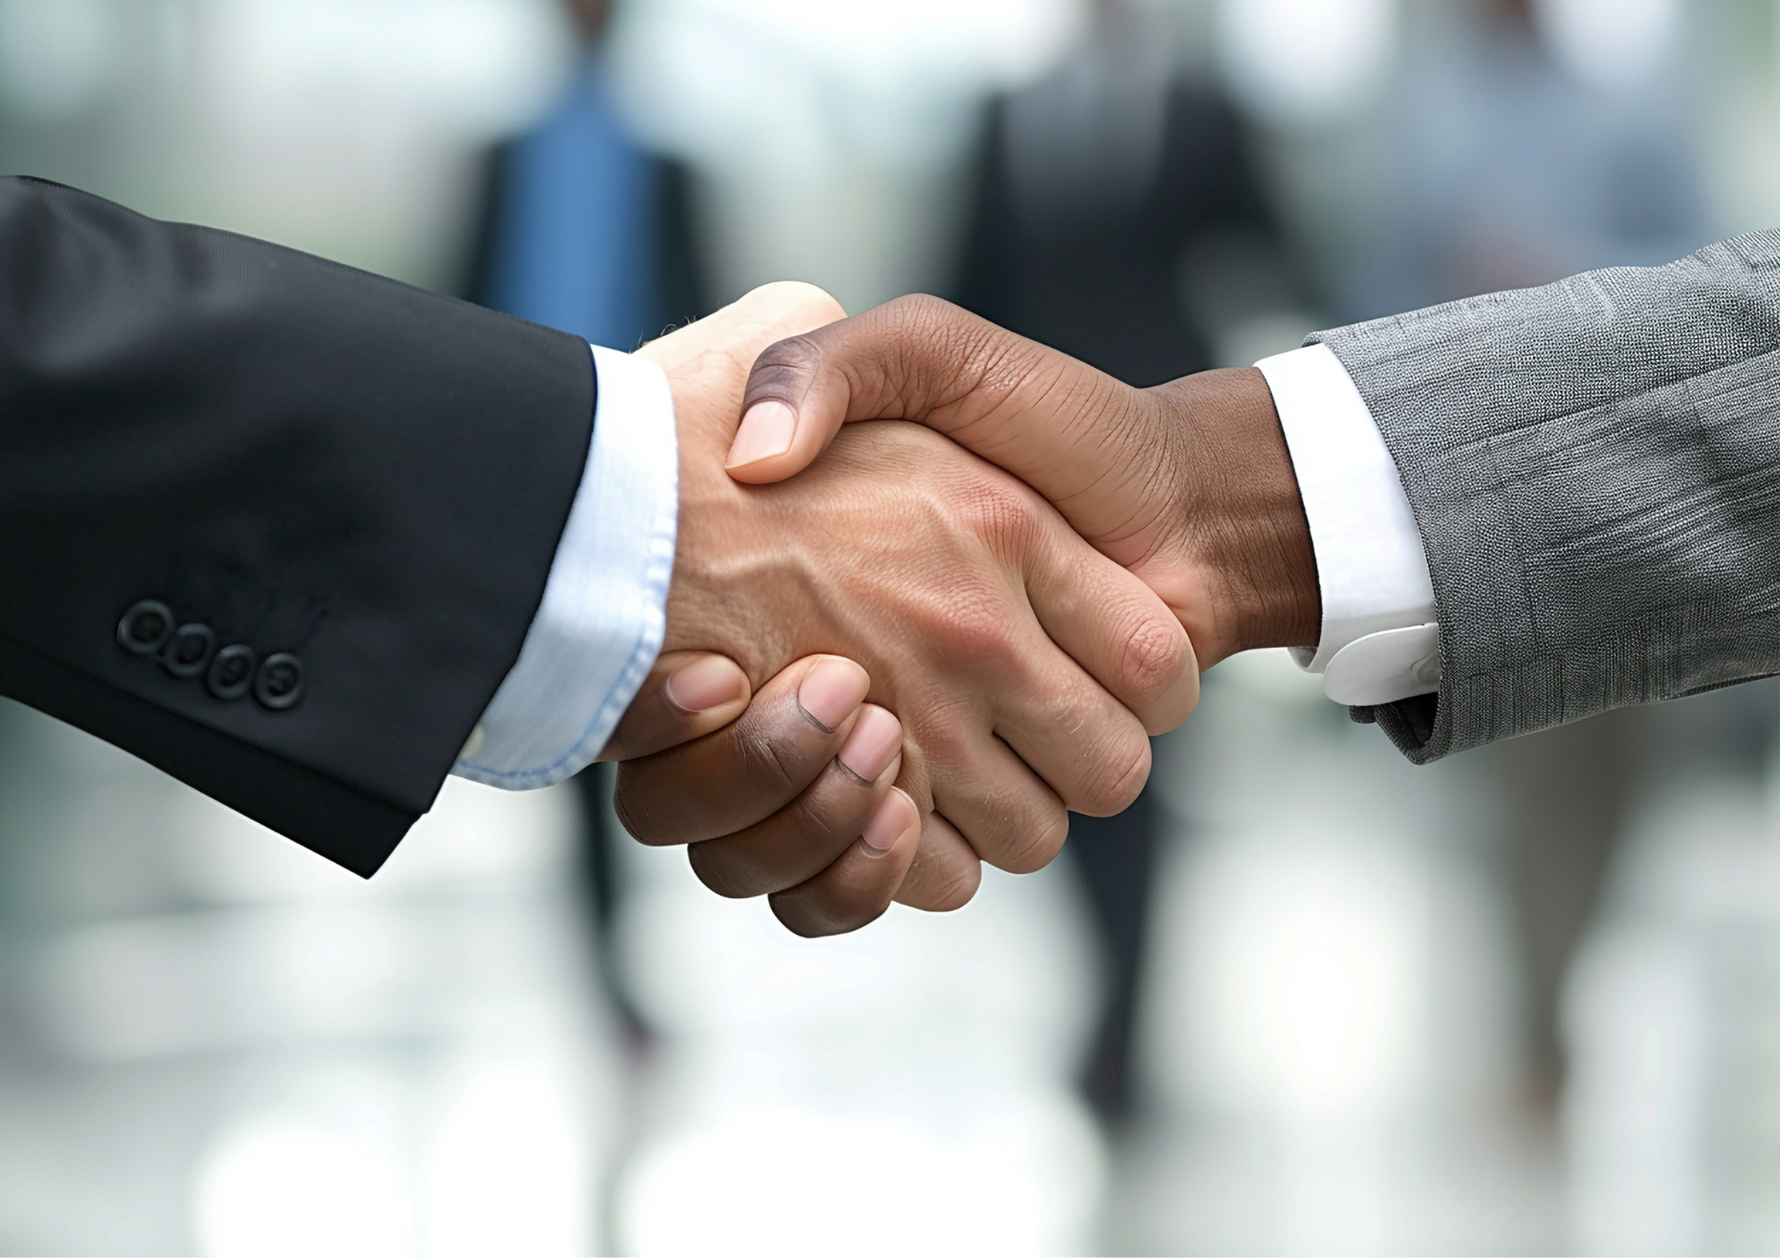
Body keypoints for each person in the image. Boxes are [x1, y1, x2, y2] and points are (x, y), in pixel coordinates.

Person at [0, 175, 1196, 938]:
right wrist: (620, 498)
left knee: (663, 753)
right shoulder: (505, 152)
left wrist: (645, 472)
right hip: (580, 498)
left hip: (615, 494)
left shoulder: (667, 166)